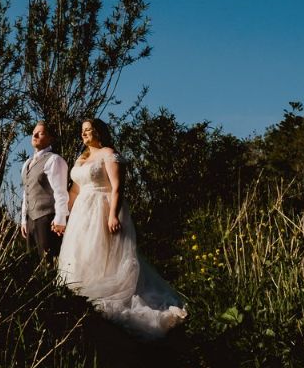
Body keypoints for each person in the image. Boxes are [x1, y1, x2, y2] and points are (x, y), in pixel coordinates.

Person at [57, 118, 187, 339]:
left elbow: (117, 187)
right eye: (82, 131)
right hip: (81, 213)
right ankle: (80, 301)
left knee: (104, 253)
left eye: (88, 130)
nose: (84, 134)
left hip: (101, 208)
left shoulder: (108, 153)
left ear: (99, 132)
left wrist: (113, 215)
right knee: (82, 252)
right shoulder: (81, 159)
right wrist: (63, 216)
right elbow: (75, 191)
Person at [19, 120, 70, 260]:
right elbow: (26, 192)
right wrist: (24, 220)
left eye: (40, 133)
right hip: (30, 220)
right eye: (33, 133)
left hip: (47, 219)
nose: (34, 135)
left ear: (50, 138)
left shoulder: (54, 160)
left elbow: (60, 192)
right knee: (32, 263)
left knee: (48, 262)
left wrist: (60, 219)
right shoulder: (27, 163)